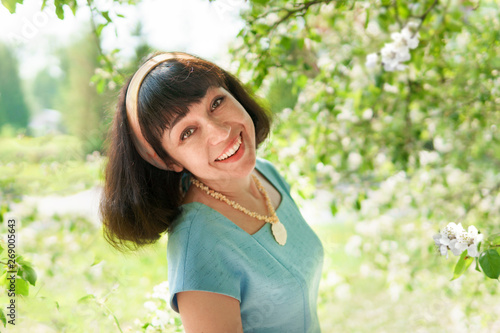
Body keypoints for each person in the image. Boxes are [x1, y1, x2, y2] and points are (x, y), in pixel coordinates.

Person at [100, 52, 324, 333]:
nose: (219, 133)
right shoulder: (199, 247)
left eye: (216, 103)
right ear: (169, 161)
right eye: (187, 132)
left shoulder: (265, 173)